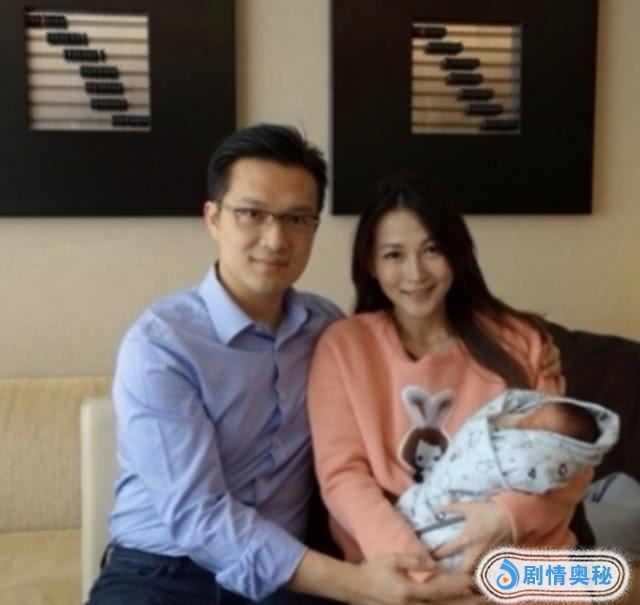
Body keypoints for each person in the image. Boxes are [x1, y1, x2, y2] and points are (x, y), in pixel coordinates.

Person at [84, 126, 479, 605]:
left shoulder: (329, 331)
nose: (275, 239)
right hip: (161, 570)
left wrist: (534, 348)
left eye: (296, 218)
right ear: (213, 218)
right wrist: (357, 585)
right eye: (252, 214)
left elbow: (415, 362)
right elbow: (196, 515)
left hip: (289, 579)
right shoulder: (161, 347)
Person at [307, 172, 593, 575]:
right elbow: (343, 477)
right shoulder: (344, 346)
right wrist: (419, 574)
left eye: (432, 250)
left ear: (456, 252)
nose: (416, 273)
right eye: (393, 255)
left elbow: (569, 458)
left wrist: (507, 518)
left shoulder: (521, 341)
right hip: (398, 573)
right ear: (370, 263)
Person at [394, 387, 619, 571]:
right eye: (528, 419)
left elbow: (576, 467)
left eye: (534, 427)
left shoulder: (528, 352)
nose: (523, 424)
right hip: (401, 527)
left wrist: (510, 514)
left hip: (535, 539)